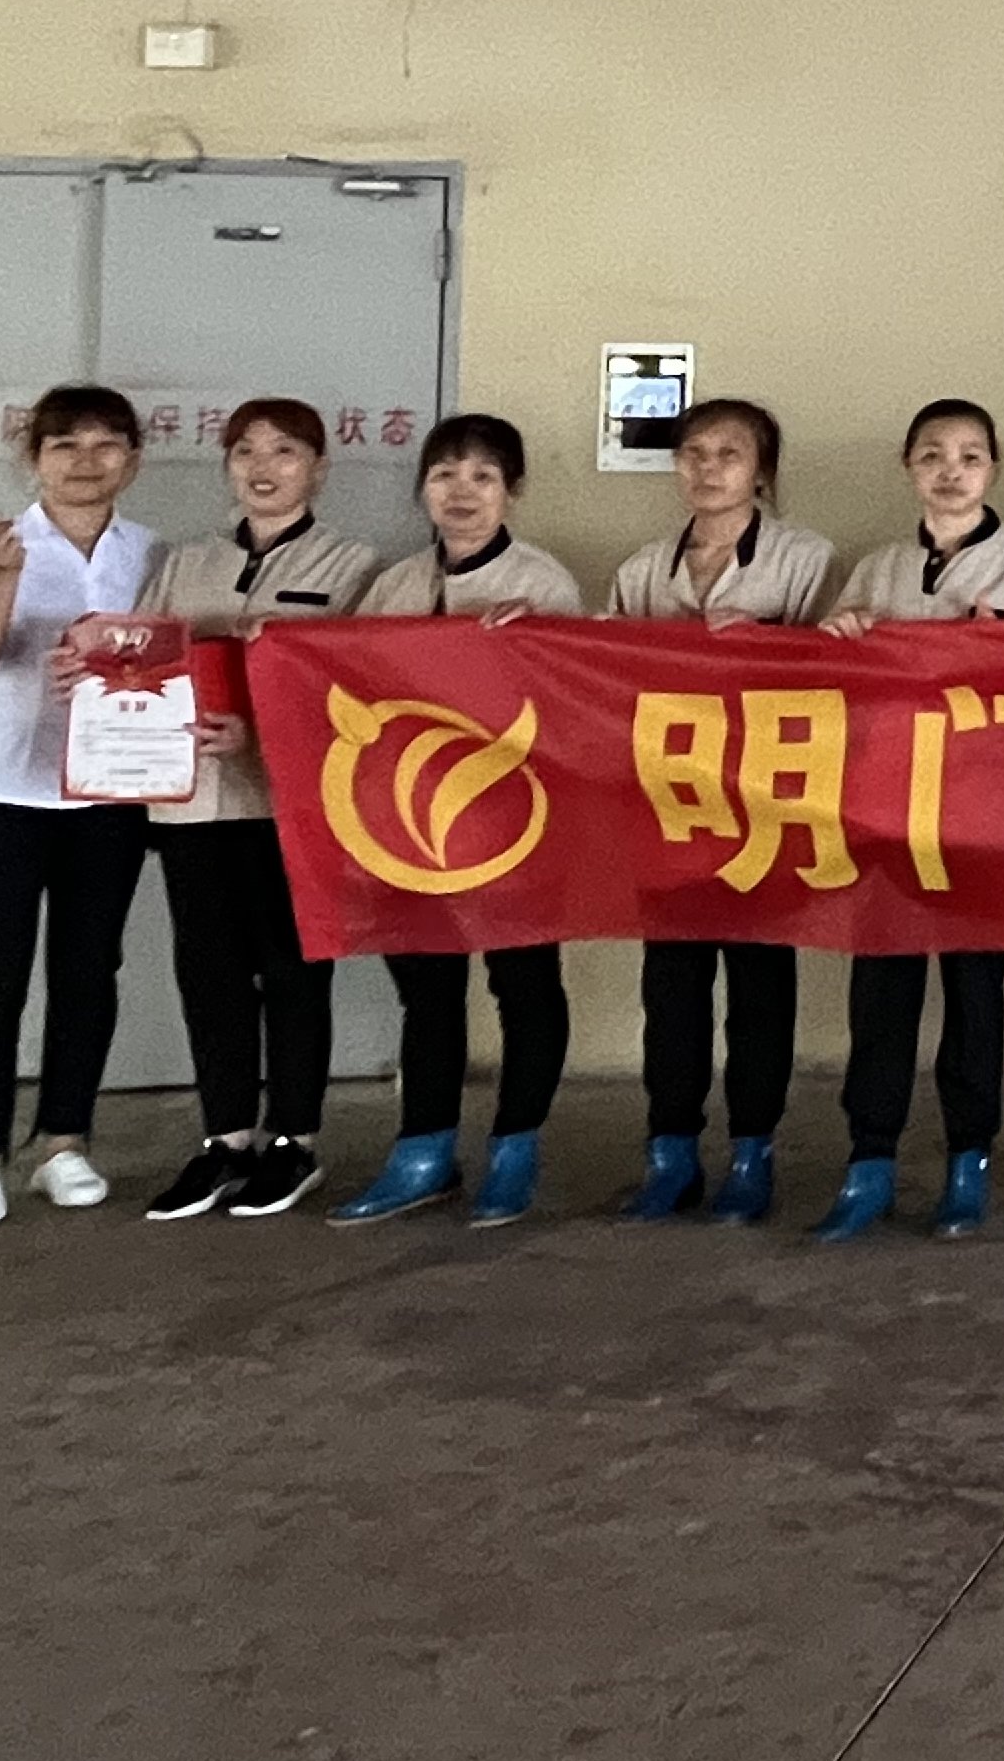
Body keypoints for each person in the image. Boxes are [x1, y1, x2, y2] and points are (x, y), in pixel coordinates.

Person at [807, 400, 1004, 1246]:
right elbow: (838, 681)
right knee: (881, 989)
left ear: (994, 467)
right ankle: (869, 1161)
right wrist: (843, 634)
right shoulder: (876, 568)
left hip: (985, 811)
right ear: (908, 466)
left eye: (969, 456)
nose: (951, 472)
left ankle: (968, 1161)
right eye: (932, 455)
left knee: (974, 991)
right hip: (885, 807)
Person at [333, 415, 590, 1225]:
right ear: (423, 489)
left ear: (512, 491)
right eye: (445, 474)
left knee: (524, 982)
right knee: (427, 986)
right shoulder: (394, 587)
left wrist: (535, 640)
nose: (462, 492)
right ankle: (423, 1150)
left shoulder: (543, 583)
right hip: (409, 824)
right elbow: (343, 688)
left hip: (516, 822)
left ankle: (516, 1147)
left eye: (483, 476)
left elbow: (579, 702)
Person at [0, 385, 160, 1231]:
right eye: (65, 446)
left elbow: (166, 667)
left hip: (109, 793)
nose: (86, 462)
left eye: (106, 445)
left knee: (89, 970)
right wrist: (3, 580)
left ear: (133, 459)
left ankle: (65, 1141)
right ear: (34, 458)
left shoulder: (151, 554)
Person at [138, 400, 381, 1222]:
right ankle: (226, 1139)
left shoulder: (355, 566)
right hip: (189, 802)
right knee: (208, 973)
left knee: (293, 969)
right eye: (245, 451)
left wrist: (262, 730)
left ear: (318, 468)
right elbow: (142, 661)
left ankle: (294, 1141)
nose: (263, 467)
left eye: (284, 451)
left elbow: (360, 687)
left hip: (291, 805)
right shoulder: (185, 563)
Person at [605, 398, 835, 1225]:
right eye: (693, 453)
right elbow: (597, 678)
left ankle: (752, 1152)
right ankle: (670, 1151)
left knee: (759, 985)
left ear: (762, 471)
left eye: (729, 454)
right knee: (671, 988)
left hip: (767, 803)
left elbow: (841, 674)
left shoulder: (805, 559)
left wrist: (766, 640)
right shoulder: (642, 570)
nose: (707, 469)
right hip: (670, 804)